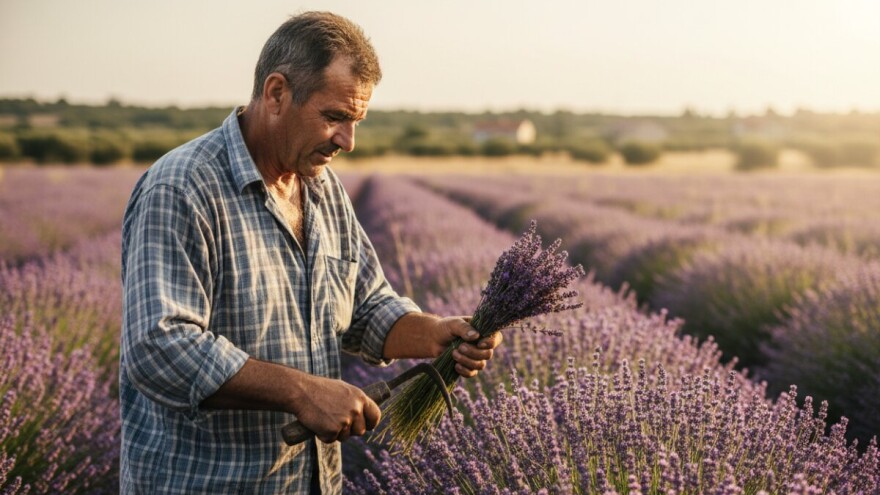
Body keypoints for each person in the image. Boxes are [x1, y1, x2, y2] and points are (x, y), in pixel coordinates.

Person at [119, 11, 502, 494]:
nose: (348, 140)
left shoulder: (321, 190)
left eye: (356, 121)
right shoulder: (183, 188)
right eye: (334, 117)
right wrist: (302, 392)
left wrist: (431, 333)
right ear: (276, 93)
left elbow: (366, 308)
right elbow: (159, 346)